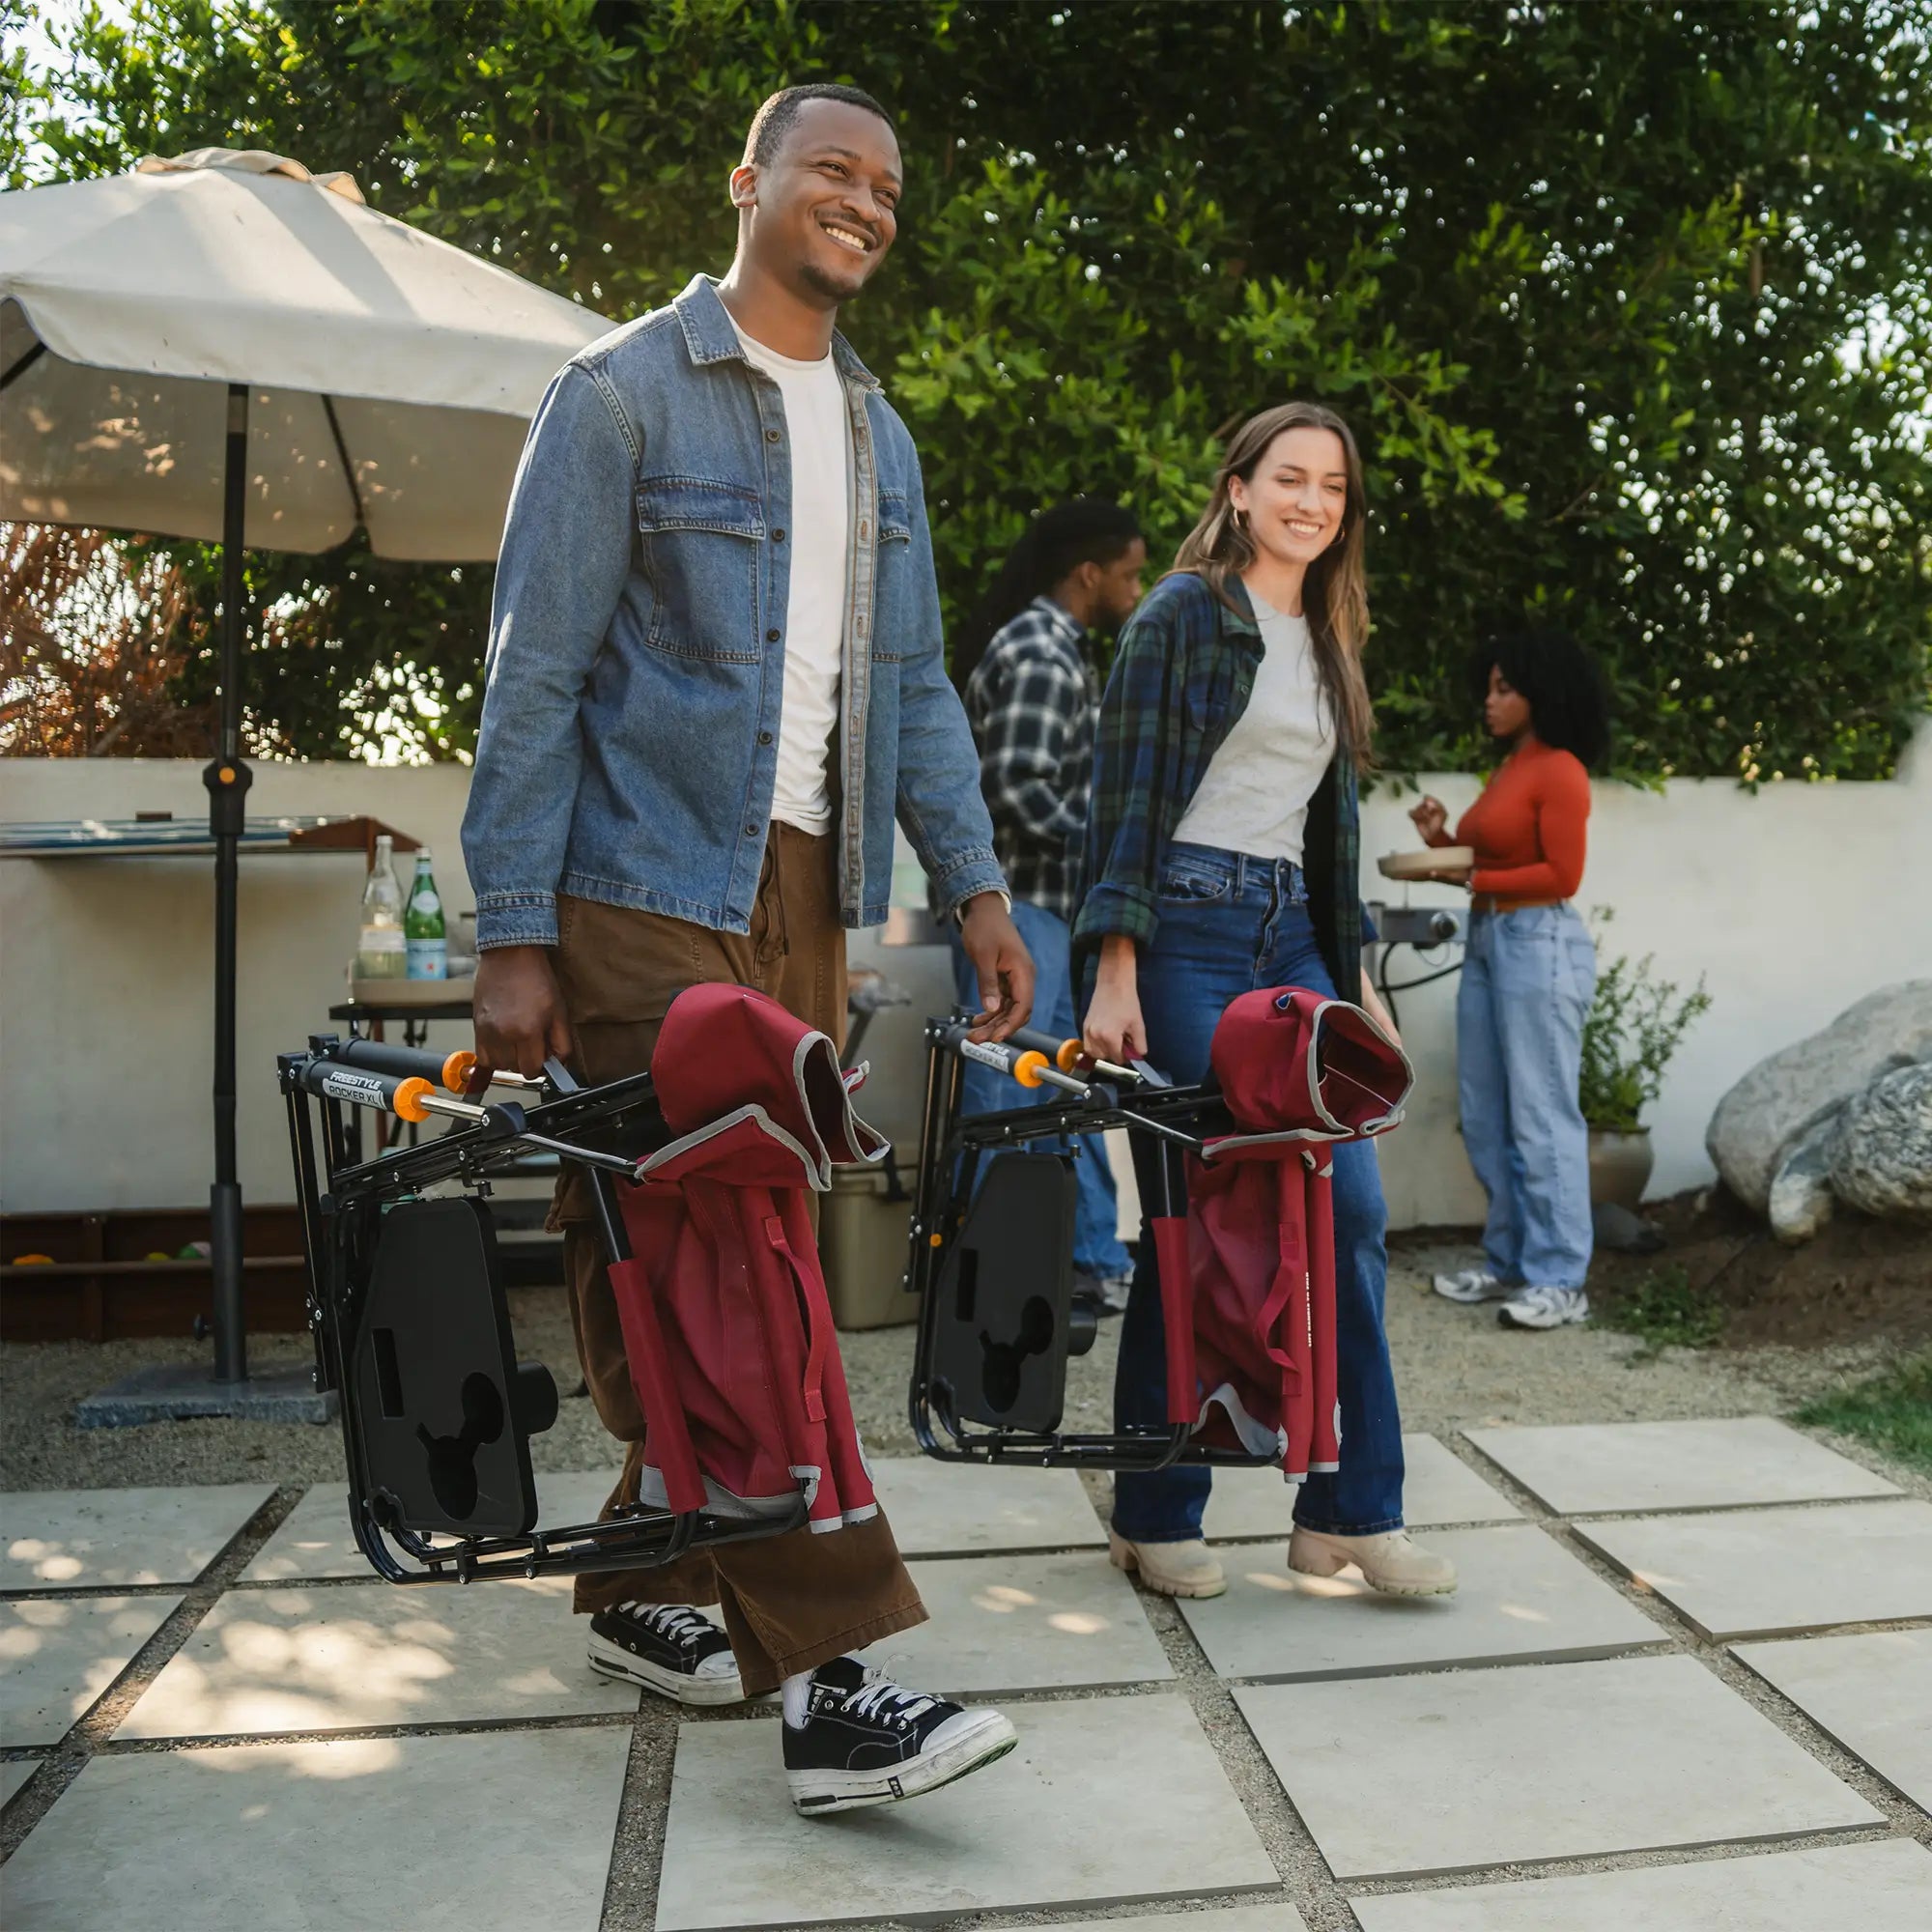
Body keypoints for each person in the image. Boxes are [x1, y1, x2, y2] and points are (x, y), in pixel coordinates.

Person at [461, 82, 1036, 1816]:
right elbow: (537, 670)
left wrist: (982, 885)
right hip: (636, 883)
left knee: (694, 1245)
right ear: (751, 183)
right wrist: (509, 932)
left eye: (889, 183)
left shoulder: (879, 435)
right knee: (736, 1261)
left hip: (804, 893)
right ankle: (829, 1678)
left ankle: (649, 1583)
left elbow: (918, 687)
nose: (865, 199)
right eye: (833, 170)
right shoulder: (622, 392)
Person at [1077, 401, 1457, 1604]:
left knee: (1346, 1210)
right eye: (1288, 478)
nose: (1310, 501)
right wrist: (1115, 964)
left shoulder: (1331, 633)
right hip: (1181, 929)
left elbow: (1324, 836)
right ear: (1236, 489)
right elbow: (1121, 797)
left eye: (1332, 487)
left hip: (1287, 934)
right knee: (1192, 1217)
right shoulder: (1184, 612)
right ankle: (1153, 1506)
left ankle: (1345, 1511)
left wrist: (1349, 983)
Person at [948, 500, 1148, 1312]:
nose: (1137, 591)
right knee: (1007, 1093)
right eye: (1131, 574)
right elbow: (1015, 785)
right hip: (1018, 907)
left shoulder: (1059, 650)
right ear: (1088, 573)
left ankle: (1079, 1263)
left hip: (1043, 910)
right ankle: (991, 1275)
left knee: (1058, 1087)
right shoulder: (1039, 651)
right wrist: (1104, 854)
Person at [1412, 630, 1609, 1330]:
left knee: (1542, 1113)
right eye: (1488, 687)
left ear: (1541, 693)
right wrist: (1442, 842)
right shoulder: (1511, 769)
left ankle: (1561, 1279)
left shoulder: (1560, 770)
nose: (1489, 701)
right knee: (1488, 1110)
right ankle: (1509, 1264)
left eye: (1505, 688)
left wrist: (1463, 872)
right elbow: (1490, 856)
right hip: (1491, 937)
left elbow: (1562, 875)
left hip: (1538, 941)